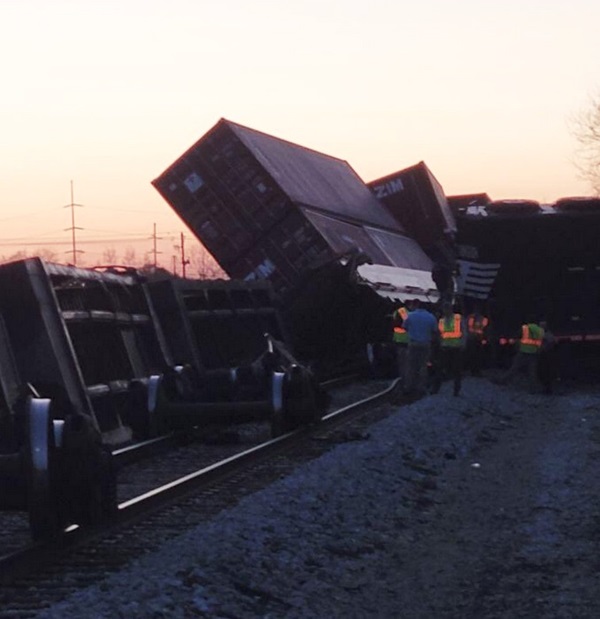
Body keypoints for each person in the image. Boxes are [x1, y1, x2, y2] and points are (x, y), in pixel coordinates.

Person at [401, 299, 439, 398]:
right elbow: (435, 331)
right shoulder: (431, 317)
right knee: (423, 366)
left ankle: (409, 387)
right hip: (425, 344)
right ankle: (420, 387)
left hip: (413, 344)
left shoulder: (410, 315)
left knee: (411, 366)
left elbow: (404, 327)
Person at [498, 318, 545, 392]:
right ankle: (533, 389)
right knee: (532, 372)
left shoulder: (525, 328)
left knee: (514, 368)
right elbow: (541, 342)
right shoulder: (541, 330)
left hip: (523, 351)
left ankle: (503, 380)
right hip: (533, 353)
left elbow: (518, 336)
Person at [431, 302, 466, 396]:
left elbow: (464, 331)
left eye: (446, 309)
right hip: (445, 348)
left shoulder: (458, 318)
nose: (445, 311)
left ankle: (456, 390)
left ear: (450, 309)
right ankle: (435, 389)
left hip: (456, 348)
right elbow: (440, 334)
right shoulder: (442, 320)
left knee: (457, 370)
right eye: (444, 309)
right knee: (439, 369)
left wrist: (463, 344)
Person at [465, 304, 489, 376]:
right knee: (472, 355)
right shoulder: (471, 317)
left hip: (478, 339)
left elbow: (484, 329)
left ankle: (476, 370)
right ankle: (472, 370)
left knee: (478, 356)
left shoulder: (484, 319)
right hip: (472, 339)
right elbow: (468, 327)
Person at [537, 320, 559, 394]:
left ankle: (547, 389)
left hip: (546, 356)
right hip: (543, 355)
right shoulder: (546, 335)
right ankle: (546, 388)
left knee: (546, 372)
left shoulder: (547, 335)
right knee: (544, 372)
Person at [391, 301, 411, 382]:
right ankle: (405, 379)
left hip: (398, 339)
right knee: (406, 362)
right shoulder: (404, 312)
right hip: (405, 340)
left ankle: (402, 377)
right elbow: (407, 325)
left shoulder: (397, 311)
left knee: (401, 362)